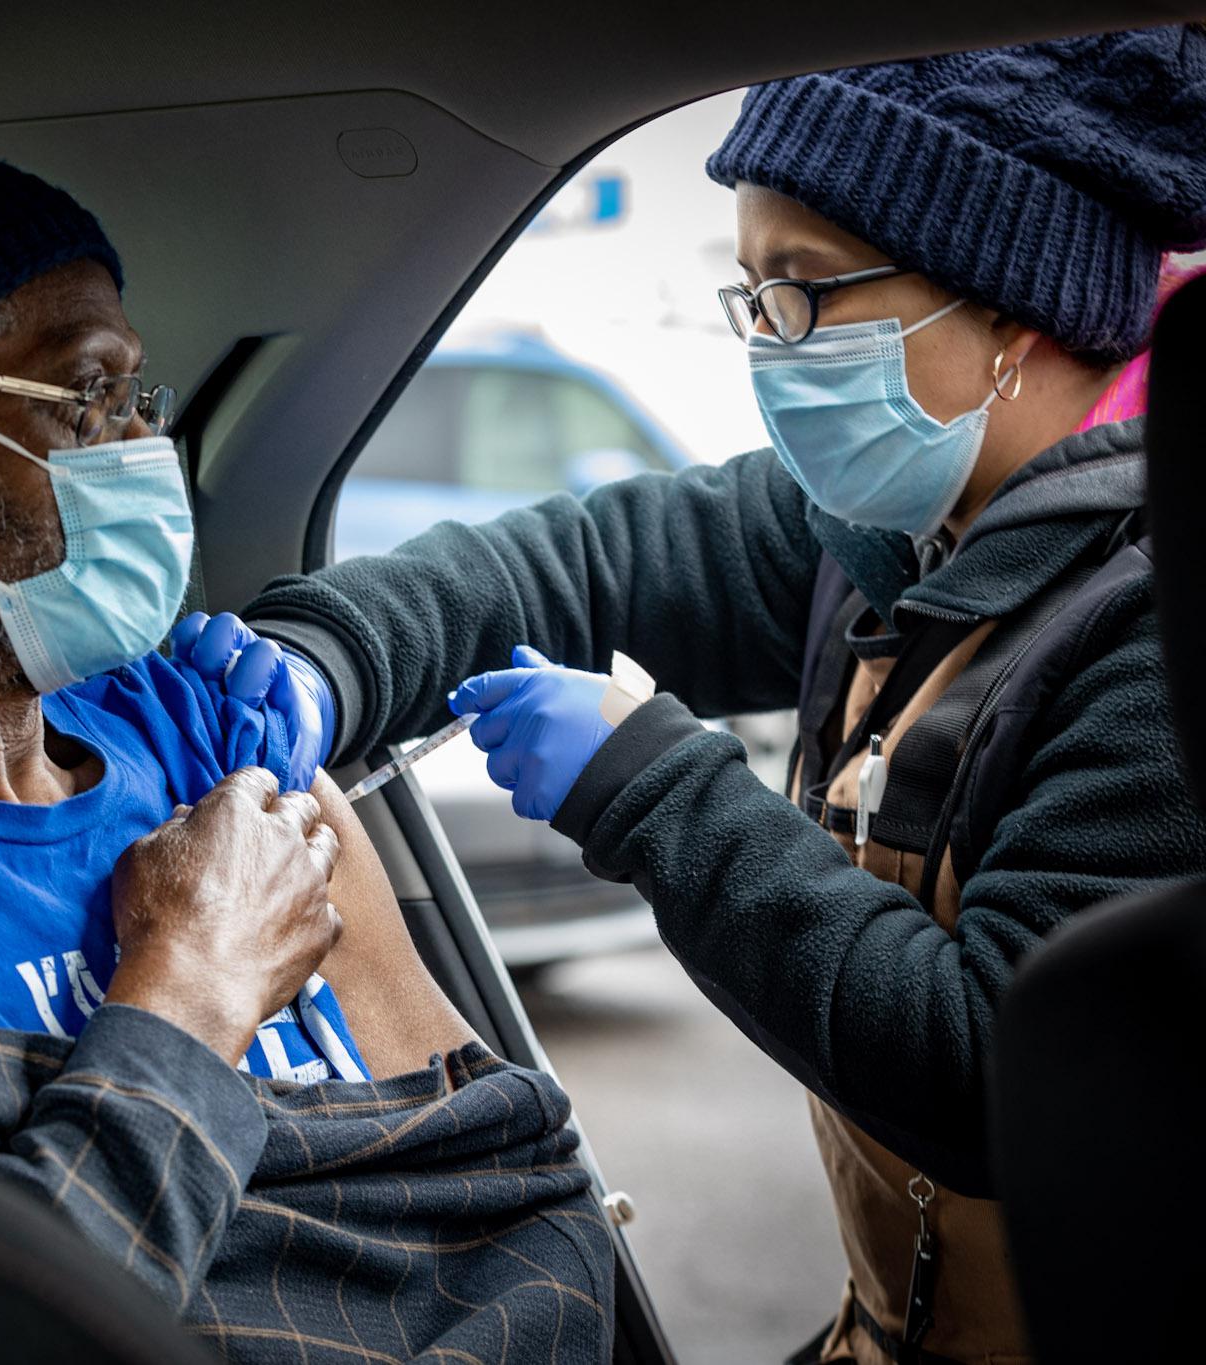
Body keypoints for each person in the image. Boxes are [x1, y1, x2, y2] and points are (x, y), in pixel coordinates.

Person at [177, 28, 1206, 1365]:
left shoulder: (1150, 629)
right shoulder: (884, 538)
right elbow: (578, 563)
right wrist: (330, 654)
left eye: (805, 292)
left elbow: (993, 1076)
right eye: (751, 294)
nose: (770, 348)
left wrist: (651, 784)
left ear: (1007, 309)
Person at [0, 141, 615, 1361]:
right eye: (85, 396)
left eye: (137, 401)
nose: (140, 454)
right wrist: (191, 987)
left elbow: (495, 1169)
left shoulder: (200, 727)